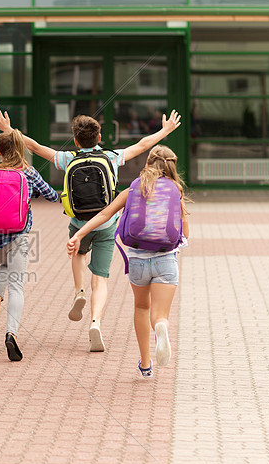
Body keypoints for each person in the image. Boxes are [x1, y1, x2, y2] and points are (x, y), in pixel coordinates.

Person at [0, 107, 182, 353]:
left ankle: (79, 291)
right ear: (99, 138)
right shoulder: (111, 157)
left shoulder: (68, 158)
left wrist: (9, 130)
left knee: (78, 253)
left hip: (79, 223)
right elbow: (142, 146)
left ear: (76, 140)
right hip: (105, 224)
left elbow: (35, 147)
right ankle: (96, 322)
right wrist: (164, 130)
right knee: (100, 278)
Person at [67, 145, 190, 377]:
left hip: (137, 262)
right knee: (159, 314)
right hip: (165, 260)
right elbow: (184, 233)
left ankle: (145, 363)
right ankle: (161, 326)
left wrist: (79, 234)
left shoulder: (133, 189)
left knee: (141, 307)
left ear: (149, 162)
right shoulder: (176, 191)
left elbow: (104, 214)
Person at [0, 129, 60, 362]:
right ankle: (11, 335)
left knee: (5, 267)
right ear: (22, 149)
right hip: (19, 234)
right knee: (17, 287)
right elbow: (51, 195)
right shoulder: (28, 172)